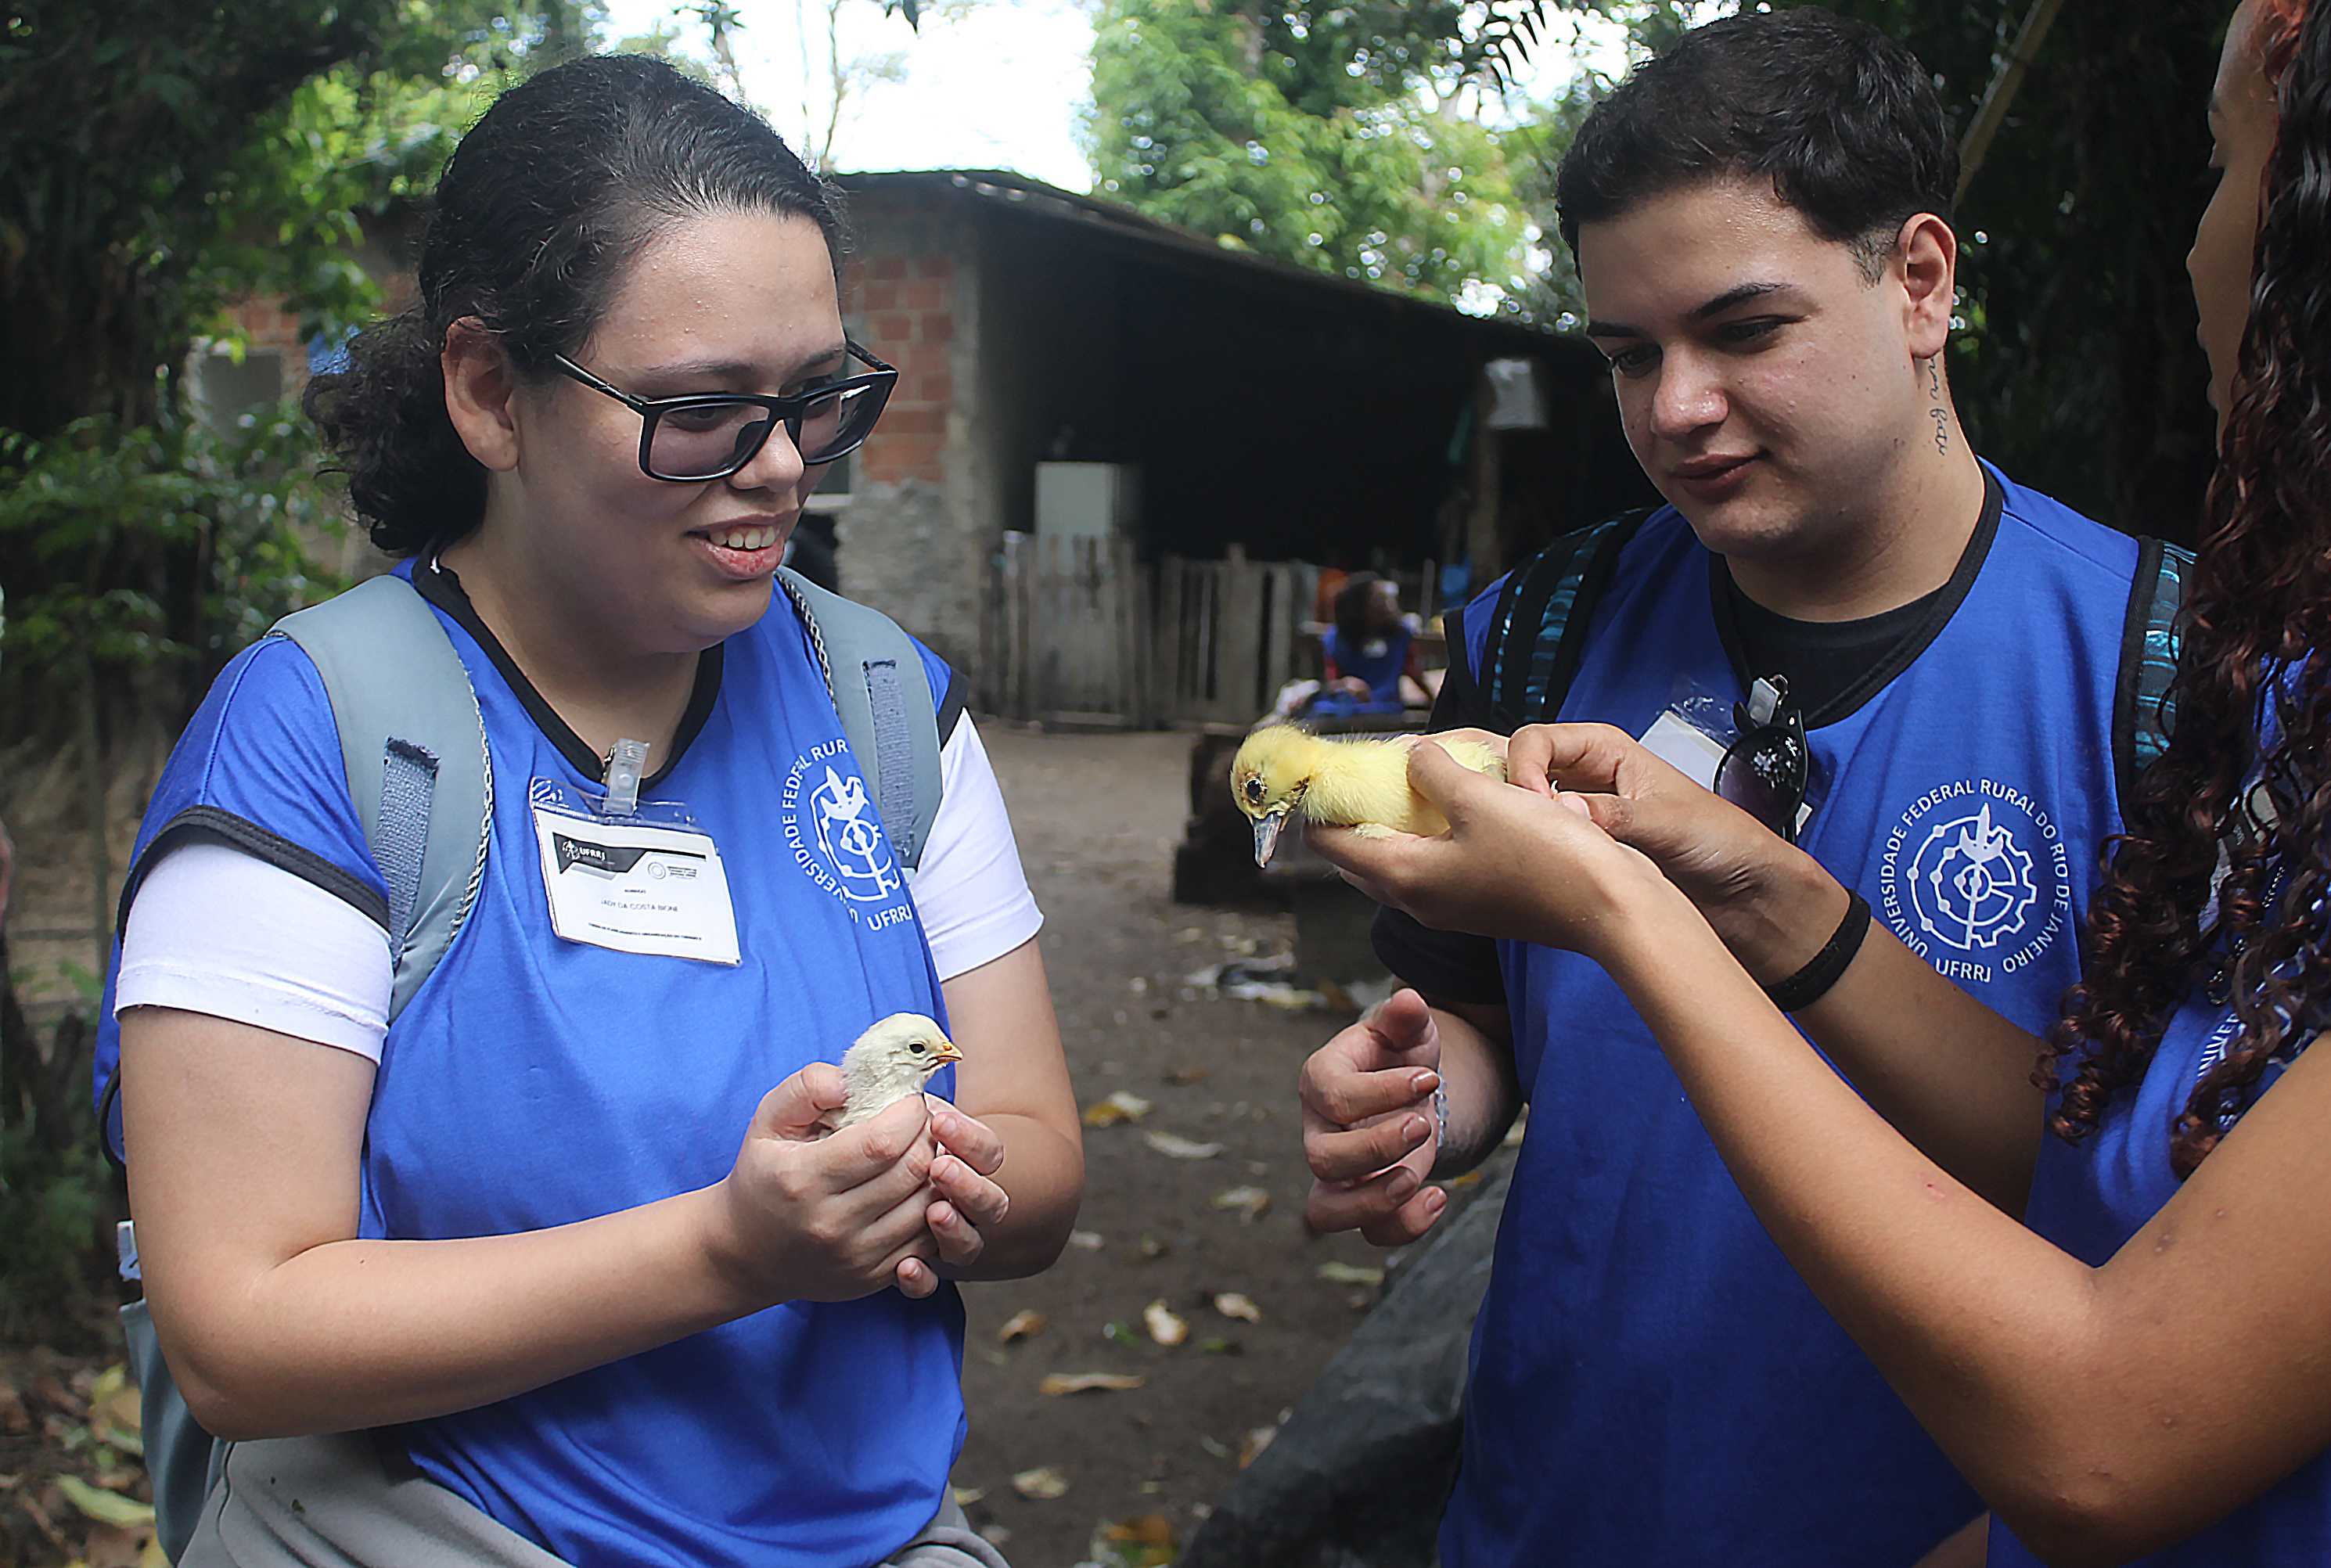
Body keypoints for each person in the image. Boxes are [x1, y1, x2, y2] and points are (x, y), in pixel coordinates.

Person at [1314, 0, 2331, 1560]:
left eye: (1741, 330)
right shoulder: (1541, 629)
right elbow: (1489, 1011)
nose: (1673, 409)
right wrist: (1421, 1095)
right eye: (1626, 356)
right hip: (1553, 1510)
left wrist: (1637, 911)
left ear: (1918, 280)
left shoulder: (2181, 676)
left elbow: (2156, 1276)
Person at [95, 55, 1081, 1568]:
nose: (777, 472)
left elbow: (1036, 1157)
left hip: (868, 1531)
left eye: (816, 400)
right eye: (697, 411)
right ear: (491, 389)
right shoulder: (326, 736)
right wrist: (729, 1248)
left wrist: (920, 1177)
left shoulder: (883, 704)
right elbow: (241, 1326)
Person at [1313, 573, 1427, 715]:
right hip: (1347, 708)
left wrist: (1433, 702)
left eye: (1387, 599)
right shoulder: (1337, 639)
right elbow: (1330, 682)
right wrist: (1346, 684)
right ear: (1360, 605)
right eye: (1378, 600)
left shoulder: (1400, 636)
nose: (1386, 605)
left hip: (1387, 709)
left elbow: (1414, 673)